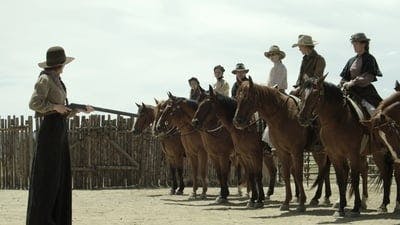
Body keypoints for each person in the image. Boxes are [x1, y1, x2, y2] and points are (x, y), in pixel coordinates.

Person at [27, 46, 93, 225]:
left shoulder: (57, 79)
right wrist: (55, 107)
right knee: (48, 177)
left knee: (59, 177)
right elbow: (34, 103)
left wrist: (78, 110)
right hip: (49, 132)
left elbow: (62, 110)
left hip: (59, 129)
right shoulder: (45, 79)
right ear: (59, 64)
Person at [339, 33, 383, 114]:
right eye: (353, 44)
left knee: (374, 112)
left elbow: (368, 77)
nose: (354, 46)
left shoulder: (370, 59)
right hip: (349, 91)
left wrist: (353, 82)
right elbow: (345, 77)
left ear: (364, 44)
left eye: (356, 44)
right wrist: (343, 83)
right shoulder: (351, 60)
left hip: (365, 93)